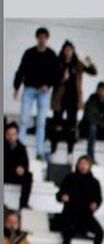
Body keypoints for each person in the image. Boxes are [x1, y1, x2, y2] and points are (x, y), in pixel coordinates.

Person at [13, 27, 59, 161]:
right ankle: (19, 148)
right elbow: (21, 70)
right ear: (37, 38)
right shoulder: (29, 53)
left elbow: (55, 74)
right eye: (40, 37)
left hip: (43, 92)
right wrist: (16, 87)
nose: (42, 39)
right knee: (23, 120)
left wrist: (48, 85)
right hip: (29, 89)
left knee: (41, 122)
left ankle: (39, 151)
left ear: (47, 39)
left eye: (44, 37)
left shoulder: (51, 54)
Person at [49, 41, 97, 158]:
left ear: (73, 51)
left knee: (72, 126)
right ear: (63, 51)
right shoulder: (58, 62)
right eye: (66, 50)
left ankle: (70, 152)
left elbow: (93, 72)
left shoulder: (77, 63)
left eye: (70, 50)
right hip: (59, 99)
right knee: (57, 125)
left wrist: (90, 63)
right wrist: (62, 78)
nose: (68, 52)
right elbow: (51, 79)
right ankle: (53, 150)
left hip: (73, 99)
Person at [57, 154, 103, 244]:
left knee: (100, 233)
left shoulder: (94, 182)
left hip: (85, 215)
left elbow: (98, 198)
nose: (83, 166)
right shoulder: (69, 178)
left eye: (86, 164)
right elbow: (59, 194)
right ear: (77, 165)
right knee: (68, 231)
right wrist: (63, 197)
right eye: (81, 163)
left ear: (90, 166)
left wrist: (96, 204)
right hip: (70, 213)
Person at [4, 122, 33, 209]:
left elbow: (26, 164)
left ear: (17, 135)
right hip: (5, 173)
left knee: (28, 176)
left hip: (16, 175)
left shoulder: (22, 148)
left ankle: (23, 204)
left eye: (13, 134)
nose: (11, 137)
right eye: (9, 134)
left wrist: (22, 169)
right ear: (5, 135)